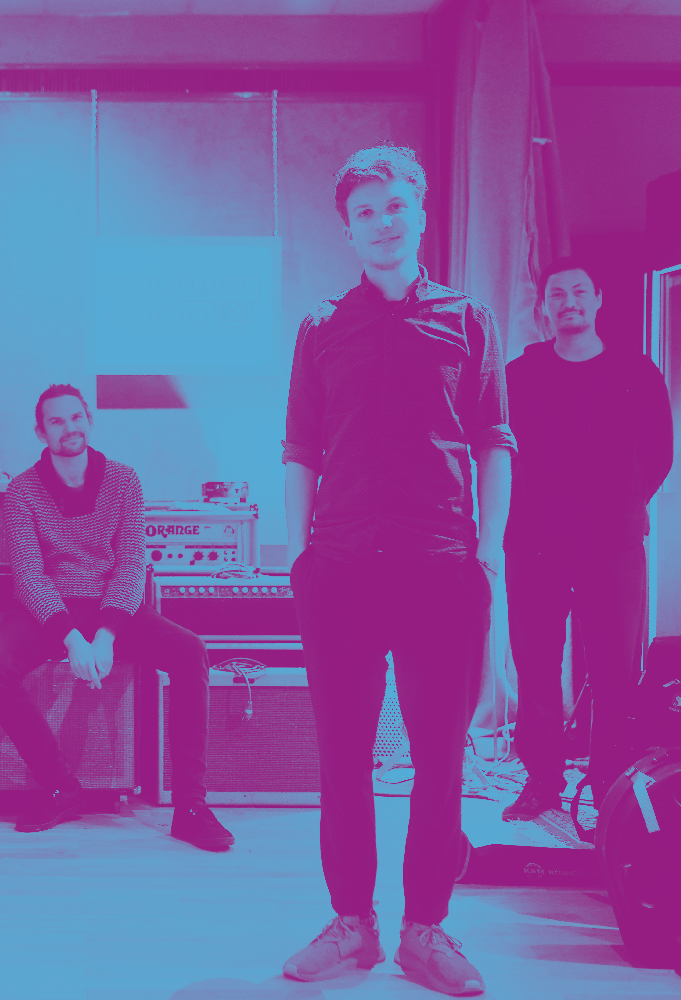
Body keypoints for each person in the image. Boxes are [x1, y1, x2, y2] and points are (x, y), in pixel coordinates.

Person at [280, 146, 516, 996]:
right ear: (347, 230)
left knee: (438, 759)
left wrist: (487, 555)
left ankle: (425, 930)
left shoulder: (467, 320)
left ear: (418, 214)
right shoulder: (320, 328)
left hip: (439, 570)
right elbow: (300, 449)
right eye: (365, 212)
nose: (382, 222)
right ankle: (352, 923)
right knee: (343, 757)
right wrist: (300, 556)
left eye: (394, 206)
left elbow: (494, 442)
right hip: (339, 569)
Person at [0, 384, 234, 851]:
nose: (69, 427)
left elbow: (132, 563)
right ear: (41, 432)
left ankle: (191, 807)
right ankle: (61, 787)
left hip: (112, 605)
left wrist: (107, 634)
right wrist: (73, 638)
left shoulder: (123, 480)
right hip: (51, 608)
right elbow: (29, 576)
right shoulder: (22, 491)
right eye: (56, 421)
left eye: (76, 417)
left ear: (89, 421)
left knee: (190, 651)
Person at [502, 258, 673, 824]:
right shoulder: (520, 376)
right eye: (557, 294)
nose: (568, 302)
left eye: (579, 291)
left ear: (598, 299)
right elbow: (498, 452)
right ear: (543, 307)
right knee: (535, 666)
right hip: (534, 546)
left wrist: (619, 505)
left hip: (613, 546)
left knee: (614, 672)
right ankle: (542, 782)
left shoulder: (636, 372)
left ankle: (608, 785)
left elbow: (659, 452)